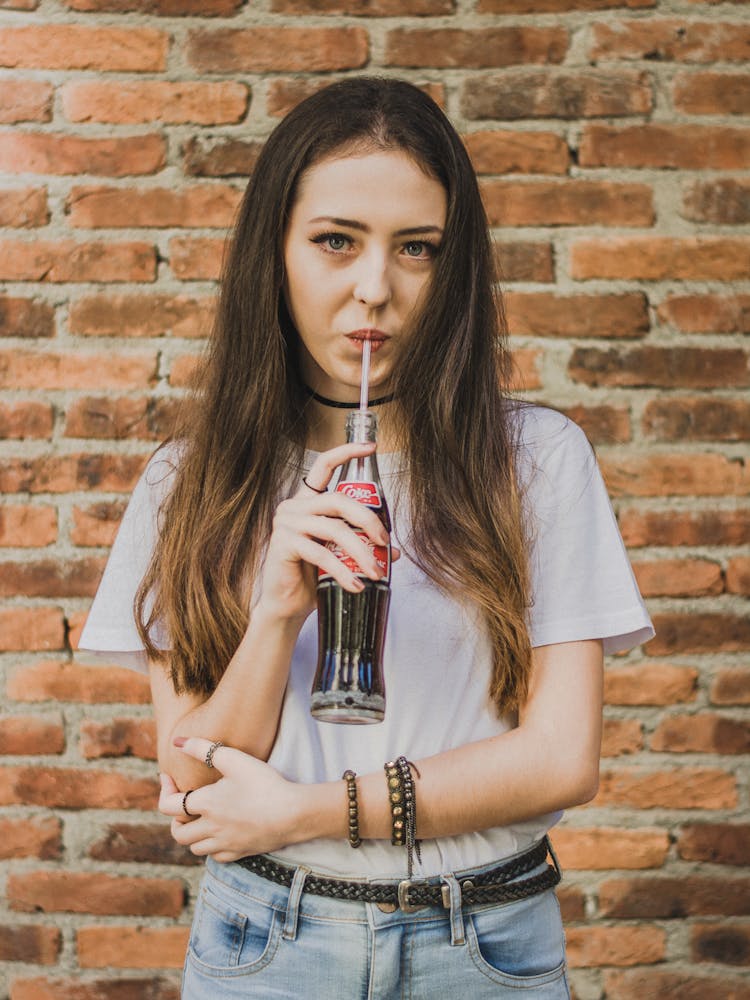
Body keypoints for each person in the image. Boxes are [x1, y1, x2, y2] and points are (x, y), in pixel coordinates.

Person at [79, 77, 654, 999]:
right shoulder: (186, 483)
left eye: (417, 248)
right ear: (275, 252)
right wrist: (274, 609)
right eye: (336, 240)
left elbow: (560, 758)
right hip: (268, 941)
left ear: (451, 267)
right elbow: (193, 784)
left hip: (485, 942)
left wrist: (313, 809)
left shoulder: (536, 460)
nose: (375, 288)